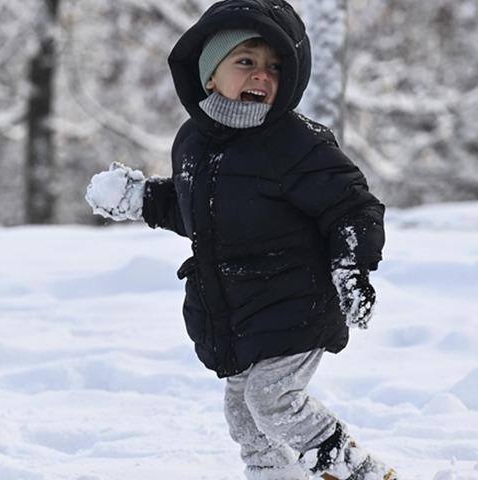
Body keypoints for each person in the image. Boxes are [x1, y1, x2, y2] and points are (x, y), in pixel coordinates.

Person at [84, 1, 396, 479]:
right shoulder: (193, 142)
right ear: (210, 74)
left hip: (297, 302)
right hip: (241, 311)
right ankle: (273, 474)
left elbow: (352, 207)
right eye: (246, 61)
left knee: (273, 400)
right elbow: (200, 214)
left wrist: (350, 268)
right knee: (243, 413)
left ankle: (359, 472)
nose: (262, 75)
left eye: (274, 66)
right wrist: (142, 198)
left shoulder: (297, 144)